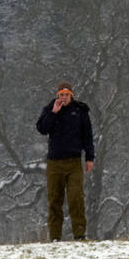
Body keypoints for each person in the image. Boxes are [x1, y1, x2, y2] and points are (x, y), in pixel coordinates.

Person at [36, 82, 95, 241]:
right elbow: (42, 129)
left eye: (66, 95)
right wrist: (54, 113)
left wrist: (90, 158)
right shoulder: (50, 109)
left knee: (76, 198)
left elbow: (88, 135)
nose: (63, 97)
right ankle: (55, 237)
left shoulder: (80, 111)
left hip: (74, 162)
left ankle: (80, 235)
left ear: (71, 95)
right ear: (57, 95)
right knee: (55, 200)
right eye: (61, 94)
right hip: (54, 163)